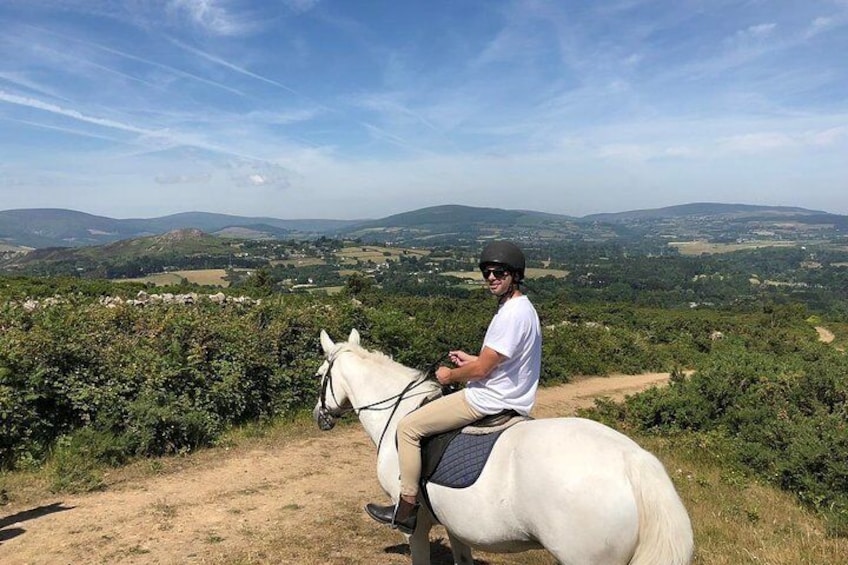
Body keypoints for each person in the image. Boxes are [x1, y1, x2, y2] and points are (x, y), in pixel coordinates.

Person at [365, 240, 542, 534]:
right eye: (487, 272)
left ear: (514, 276)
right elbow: (497, 361)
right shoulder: (524, 309)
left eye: (498, 272)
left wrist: (451, 375)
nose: (491, 278)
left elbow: (484, 369)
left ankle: (406, 506)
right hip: (512, 396)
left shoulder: (510, 314)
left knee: (407, 428)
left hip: (489, 399)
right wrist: (471, 359)